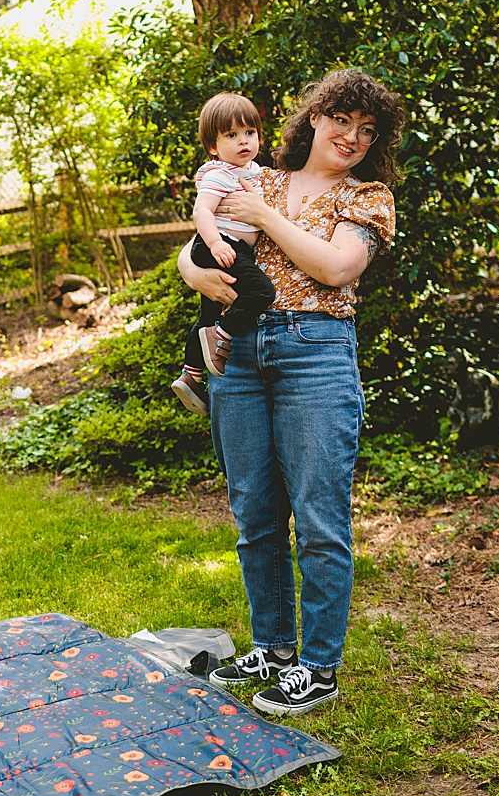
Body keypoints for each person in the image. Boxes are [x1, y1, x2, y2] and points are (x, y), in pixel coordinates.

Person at [184, 68, 403, 716]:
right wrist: (193, 275)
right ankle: (275, 649)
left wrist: (262, 220)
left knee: (318, 519)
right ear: (315, 117)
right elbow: (197, 246)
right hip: (242, 353)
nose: (353, 137)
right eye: (344, 121)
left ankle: (318, 668)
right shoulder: (259, 177)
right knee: (254, 514)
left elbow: (335, 267)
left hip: (317, 353)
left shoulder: (369, 198)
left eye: (368, 131)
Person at [171, 93, 278, 417]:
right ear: (214, 147)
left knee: (207, 314)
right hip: (223, 246)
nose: (243, 141)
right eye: (231, 135)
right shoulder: (221, 174)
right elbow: (202, 211)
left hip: (231, 247)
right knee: (262, 291)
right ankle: (223, 335)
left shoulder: (252, 171)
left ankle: (191, 374)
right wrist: (217, 244)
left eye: (249, 133)